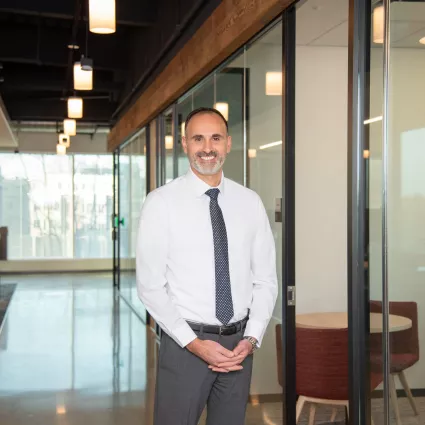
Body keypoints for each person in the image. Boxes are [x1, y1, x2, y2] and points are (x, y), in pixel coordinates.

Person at [136, 107, 277, 425]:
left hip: (238, 348)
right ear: (184, 144)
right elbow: (150, 286)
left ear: (228, 143)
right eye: (198, 138)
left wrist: (251, 339)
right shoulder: (162, 203)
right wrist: (196, 345)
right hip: (186, 344)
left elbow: (266, 279)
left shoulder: (249, 202)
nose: (207, 147)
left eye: (215, 138)